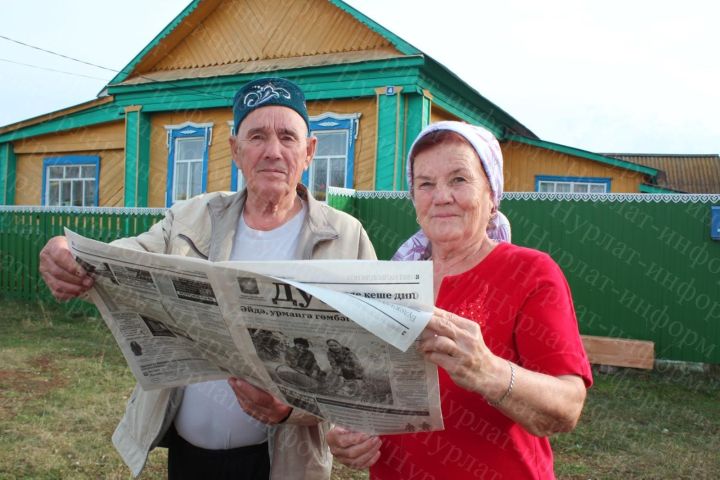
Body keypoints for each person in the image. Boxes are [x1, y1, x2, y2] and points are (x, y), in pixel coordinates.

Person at [38, 77, 376, 480]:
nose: (273, 151)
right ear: (235, 150)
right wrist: (65, 250)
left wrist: (290, 408)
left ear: (309, 151)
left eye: (288, 137)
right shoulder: (192, 216)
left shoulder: (346, 235)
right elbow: (125, 255)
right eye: (257, 136)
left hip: (284, 464)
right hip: (189, 459)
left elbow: (367, 365)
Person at [326, 121, 592, 479]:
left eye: (459, 179)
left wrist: (488, 371)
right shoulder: (393, 281)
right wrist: (350, 433)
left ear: (492, 194)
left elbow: (566, 409)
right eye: (426, 184)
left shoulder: (530, 272)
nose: (441, 196)